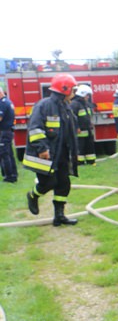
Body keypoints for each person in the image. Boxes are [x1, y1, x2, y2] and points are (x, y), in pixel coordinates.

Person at [23, 73, 80, 226]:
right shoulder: (44, 105)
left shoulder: (66, 107)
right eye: (73, 89)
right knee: (48, 183)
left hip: (61, 154)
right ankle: (33, 195)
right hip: (44, 155)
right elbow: (35, 128)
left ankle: (59, 216)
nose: (74, 93)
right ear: (65, 89)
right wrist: (42, 148)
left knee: (63, 184)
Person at [70, 84, 96, 165]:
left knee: (89, 146)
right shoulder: (74, 104)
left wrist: (90, 123)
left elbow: (87, 116)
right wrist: (76, 127)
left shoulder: (85, 104)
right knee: (80, 146)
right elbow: (72, 118)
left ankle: (91, 161)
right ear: (82, 94)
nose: (88, 97)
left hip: (87, 129)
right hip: (80, 130)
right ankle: (79, 162)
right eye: (87, 95)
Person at [0, 85, 18, 183]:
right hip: (8, 131)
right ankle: (13, 174)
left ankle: (9, 176)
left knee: (4, 154)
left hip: (4, 131)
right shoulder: (8, 101)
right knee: (9, 154)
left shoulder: (2, 103)